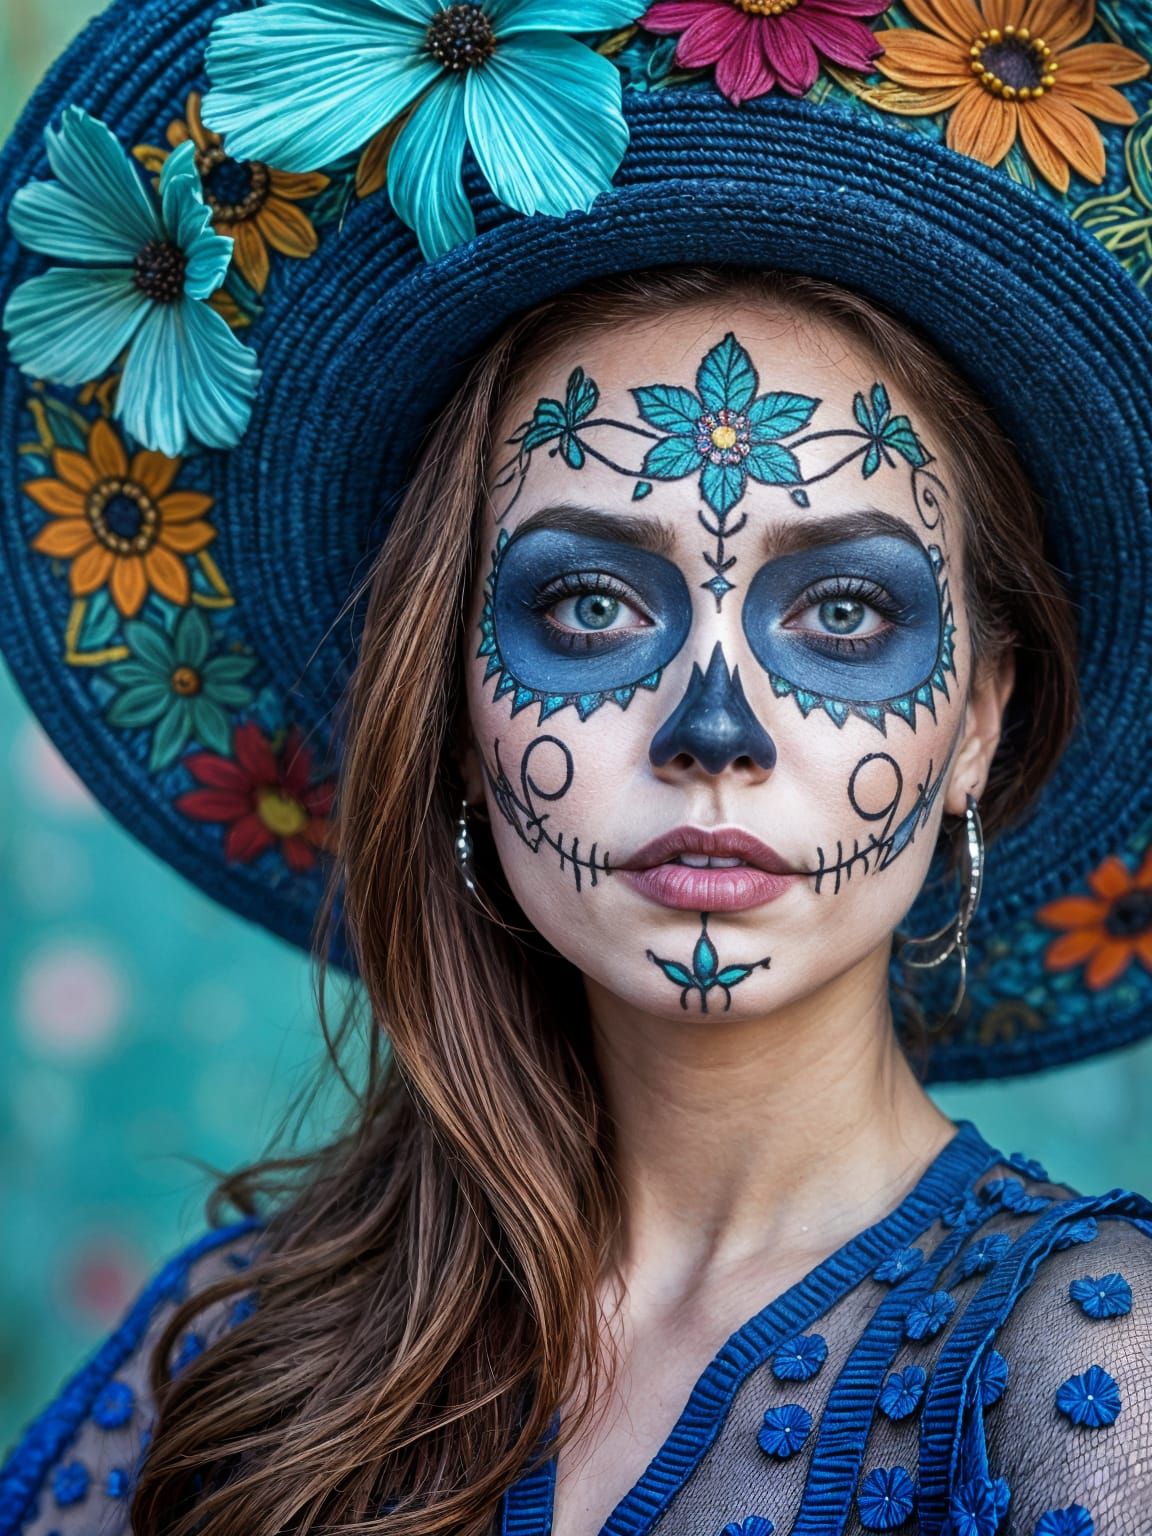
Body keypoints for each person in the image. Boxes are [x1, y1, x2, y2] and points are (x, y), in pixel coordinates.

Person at [1, 1, 1152, 1533]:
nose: (714, 730)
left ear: (981, 724)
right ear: (459, 705)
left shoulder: (1094, 1377)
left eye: (846, 610)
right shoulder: (225, 1352)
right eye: (592, 604)